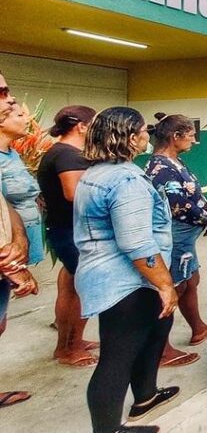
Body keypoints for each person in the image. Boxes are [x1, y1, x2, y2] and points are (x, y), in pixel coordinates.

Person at [74, 107, 179, 433]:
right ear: (131, 138)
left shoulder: (96, 173)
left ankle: (145, 395)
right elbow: (137, 243)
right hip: (126, 282)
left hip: (110, 276)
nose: (148, 136)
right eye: (143, 131)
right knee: (116, 359)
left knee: (152, 332)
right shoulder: (126, 179)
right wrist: (165, 284)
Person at [145, 114, 207, 367]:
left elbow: (194, 192)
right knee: (173, 286)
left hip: (187, 235)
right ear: (175, 137)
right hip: (175, 235)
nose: (194, 140)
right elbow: (177, 205)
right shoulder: (161, 168)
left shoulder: (176, 163)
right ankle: (161, 349)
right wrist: (206, 217)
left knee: (191, 280)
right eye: (190, 135)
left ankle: (198, 328)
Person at [37, 105, 99, 367]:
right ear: (81, 126)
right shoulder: (68, 156)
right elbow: (74, 194)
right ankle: (69, 348)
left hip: (65, 231)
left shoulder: (60, 152)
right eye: (94, 124)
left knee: (70, 286)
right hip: (73, 233)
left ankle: (69, 342)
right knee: (82, 290)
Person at [0, 97, 39, 411]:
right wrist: (12, 263)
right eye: (19, 115)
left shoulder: (11, 153)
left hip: (13, 250)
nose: (27, 118)